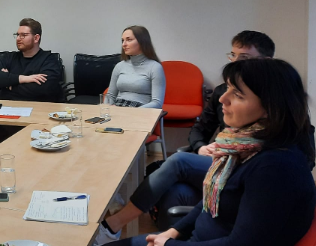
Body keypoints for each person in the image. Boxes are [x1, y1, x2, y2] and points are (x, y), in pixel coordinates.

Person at [107, 58, 316, 246]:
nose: (222, 98)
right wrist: (174, 231)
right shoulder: (244, 148)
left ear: (271, 109)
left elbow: (242, 244)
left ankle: (111, 226)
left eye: (237, 95)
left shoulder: (275, 168)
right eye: (228, 89)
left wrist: (169, 244)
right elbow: (212, 202)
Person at [94, 31, 277, 244]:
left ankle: (114, 224)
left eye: (243, 58)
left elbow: (244, 239)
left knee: (179, 161)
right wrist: (201, 147)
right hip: (219, 165)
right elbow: (200, 129)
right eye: (232, 55)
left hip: (225, 168)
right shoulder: (229, 117)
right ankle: (160, 231)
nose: (223, 98)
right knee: (176, 191)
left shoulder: (270, 160)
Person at [0, 18, 63, 150]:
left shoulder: (49, 60)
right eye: (17, 35)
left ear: (36, 38)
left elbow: (44, 88)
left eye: (23, 35)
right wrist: (23, 79)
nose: (18, 39)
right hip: (9, 112)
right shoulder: (9, 57)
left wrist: (9, 84)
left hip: (38, 113)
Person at [106, 26, 165, 109]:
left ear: (142, 42)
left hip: (141, 110)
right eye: (123, 40)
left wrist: (133, 112)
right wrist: (107, 109)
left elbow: (157, 103)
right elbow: (110, 96)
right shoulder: (119, 66)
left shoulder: (155, 67)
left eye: (129, 40)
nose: (124, 44)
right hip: (118, 108)